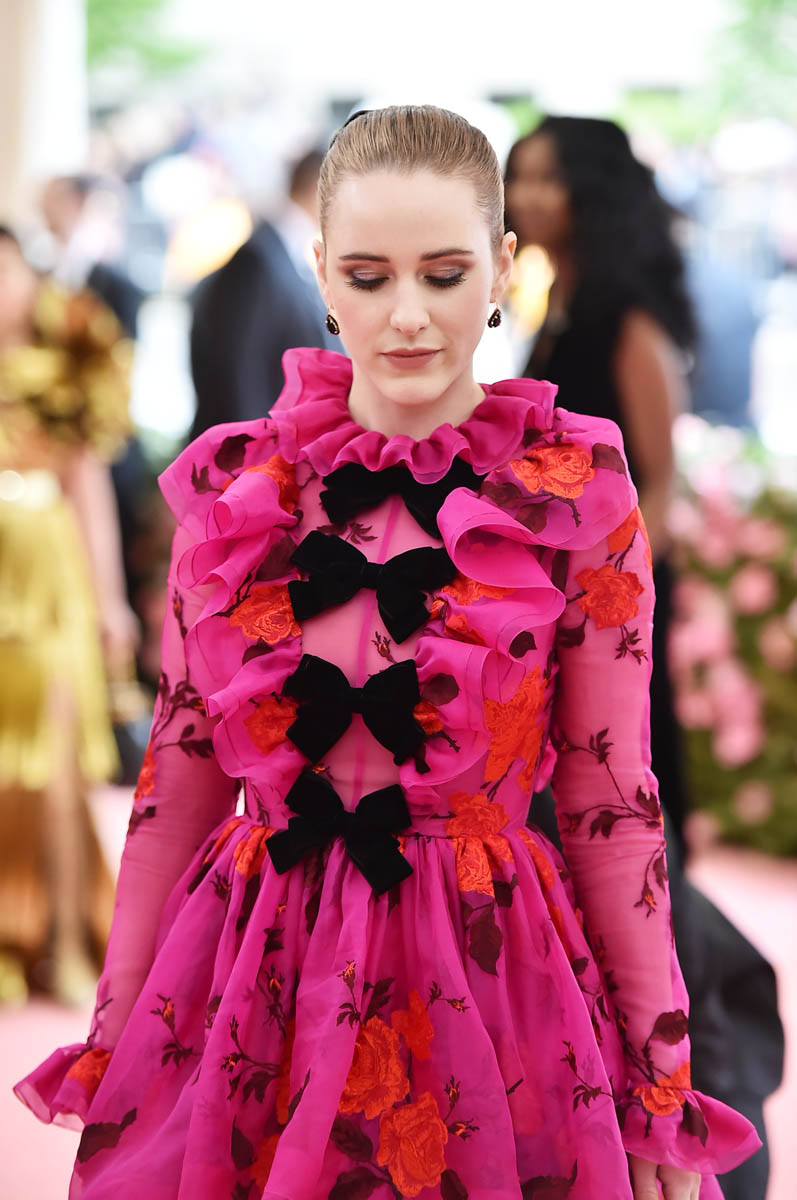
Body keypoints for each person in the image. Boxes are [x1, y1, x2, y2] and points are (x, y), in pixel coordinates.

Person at [15, 106, 759, 1199]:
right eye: (368, 277)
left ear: (501, 267)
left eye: (443, 274)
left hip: (492, 989)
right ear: (322, 271)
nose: (407, 315)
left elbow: (612, 802)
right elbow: (174, 792)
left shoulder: (570, 491)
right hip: (252, 990)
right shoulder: (237, 489)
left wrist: (658, 1089)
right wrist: (116, 1042)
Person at [505, 117, 781, 1200]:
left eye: (547, 178)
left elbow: (655, 485)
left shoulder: (621, 313)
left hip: (608, 627)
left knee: (631, 849)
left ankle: (676, 1086)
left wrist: (592, 598)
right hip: (549, 625)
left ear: (591, 191)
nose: (528, 197)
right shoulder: (560, 305)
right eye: (520, 177)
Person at [0, 227, 136, 1007]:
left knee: (57, 767)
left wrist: (110, 600)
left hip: (49, 585)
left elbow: (89, 490)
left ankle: (63, 942)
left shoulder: (74, 364)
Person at [189, 148, 335, 438]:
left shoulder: (283, 253)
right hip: (257, 448)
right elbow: (240, 368)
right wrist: (253, 454)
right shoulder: (258, 260)